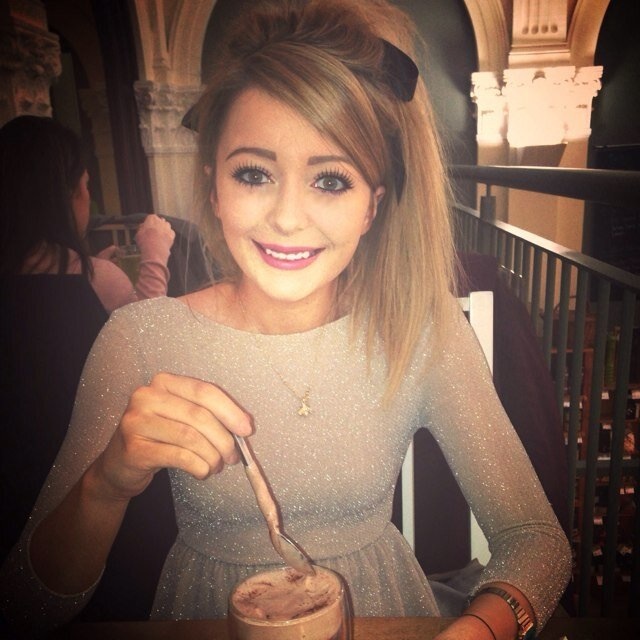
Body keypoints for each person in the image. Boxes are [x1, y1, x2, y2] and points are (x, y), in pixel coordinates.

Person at [0, 1, 571, 638]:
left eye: (331, 181)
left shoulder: (421, 330)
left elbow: (536, 540)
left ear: (372, 206)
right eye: (254, 174)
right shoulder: (141, 340)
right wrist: (105, 484)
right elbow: (25, 605)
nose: (288, 218)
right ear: (215, 188)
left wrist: (476, 632)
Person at [0, 115, 176, 313]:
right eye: (86, 184)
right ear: (69, 194)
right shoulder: (98, 280)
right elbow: (148, 327)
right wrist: (155, 254)